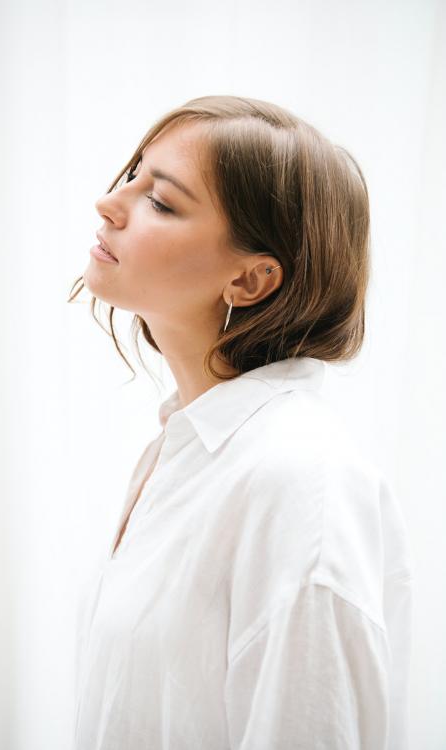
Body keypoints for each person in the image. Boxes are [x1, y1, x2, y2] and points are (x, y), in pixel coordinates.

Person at [68, 95, 413, 749]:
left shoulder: (300, 481)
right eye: (133, 176)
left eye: (162, 202)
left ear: (252, 281)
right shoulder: (184, 450)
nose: (110, 204)